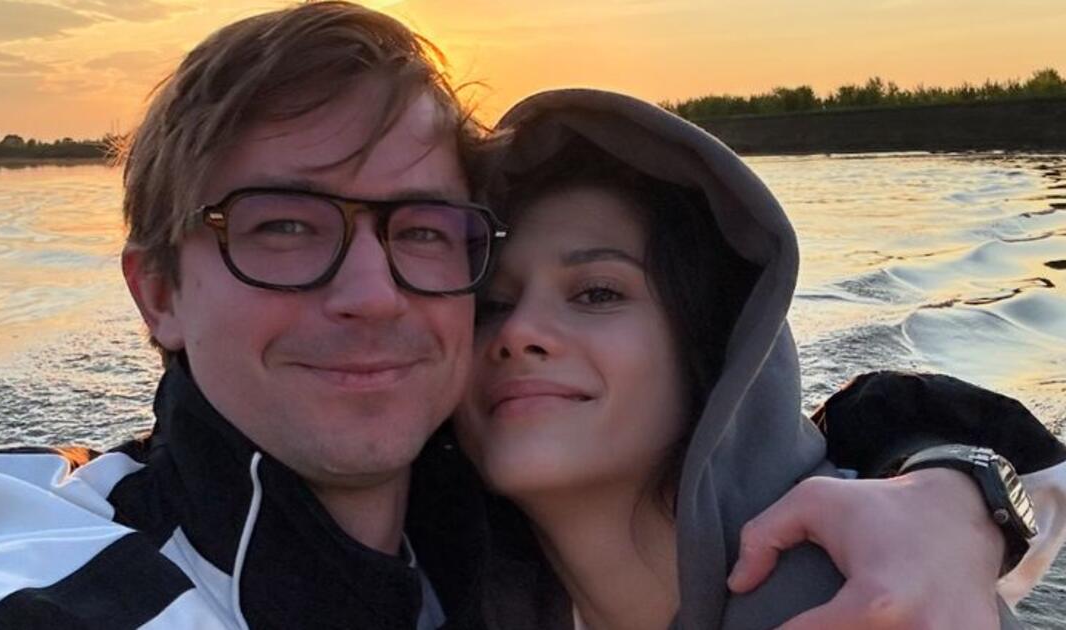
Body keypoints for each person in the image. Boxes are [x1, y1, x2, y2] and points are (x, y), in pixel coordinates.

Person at [0, 3, 1060, 628]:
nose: (373, 293)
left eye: (426, 233)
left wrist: (961, 489)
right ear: (158, 293)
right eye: (282, 226)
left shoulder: (485, 528)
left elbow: (878, 423)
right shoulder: (69, 581)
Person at [456, 88, 1066, 629]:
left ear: (716, 344)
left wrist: (962, 480)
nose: (519, 331)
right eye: (491, 305)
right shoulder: (461, 586)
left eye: (597, 293)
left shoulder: (874, 603)